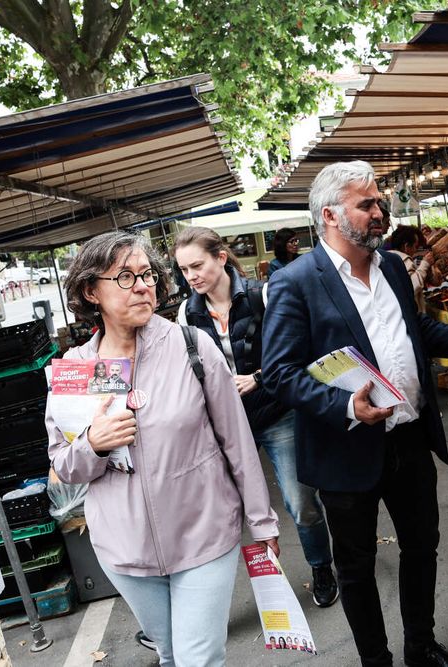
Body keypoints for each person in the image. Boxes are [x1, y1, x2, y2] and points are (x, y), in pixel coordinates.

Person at [262, 160, 448, 667]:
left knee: (421, 549)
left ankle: (421, 646)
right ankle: (376, 660)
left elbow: (415, 332)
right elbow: (280, 373)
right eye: (366, 204)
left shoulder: (391, 264)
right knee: (355, 567)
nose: (379, 211)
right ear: (329, 215)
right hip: (345, 450)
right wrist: (346, 404)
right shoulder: (295, 282)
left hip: (409, 438)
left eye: (379, 201)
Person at [46, 231, 279, 667]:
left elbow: (237, 441)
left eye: (147, 274)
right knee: (171, 655)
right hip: (124, 549)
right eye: (125, 277)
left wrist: (262, 523)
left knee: (198, 659)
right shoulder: (78, 370)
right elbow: (62, 463)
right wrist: (93, 446)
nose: (142, 285)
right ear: (90, 291)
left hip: (203, 535)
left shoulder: (190, 346)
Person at [174, 226, 338, 608]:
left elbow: (301, 348)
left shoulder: (263, 294)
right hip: (228, 425)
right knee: (219, 514)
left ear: (220, 257)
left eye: (197, 265)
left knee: (300, 502)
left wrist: (259, 377)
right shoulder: (187, 312)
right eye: (184, 270)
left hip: (277, 413)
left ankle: (322, 567)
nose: (192, 276)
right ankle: (208, 600)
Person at [387, 225, 433, 310]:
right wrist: (425, 263)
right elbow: (413, 286)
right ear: (406, 246)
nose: (416, 250)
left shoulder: (387, 258)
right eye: (415, 246)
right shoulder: (404, 260)